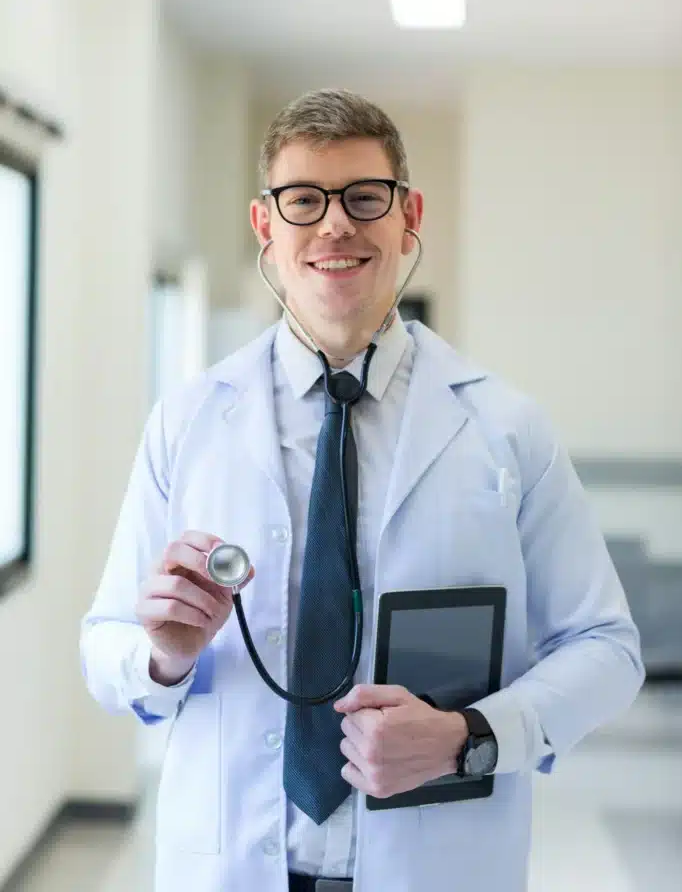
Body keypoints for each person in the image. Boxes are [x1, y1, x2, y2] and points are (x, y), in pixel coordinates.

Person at [81, 88, 645, 892]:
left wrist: (471, 734)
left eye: (364, 198)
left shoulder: (505, 428)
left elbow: (607, 649)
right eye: (304, 200)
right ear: (264, 229)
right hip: (231, 864)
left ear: (408, 216)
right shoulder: (190, 422)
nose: (335, 225)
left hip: (440, 864)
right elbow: (104, 646)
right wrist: (163, 656)